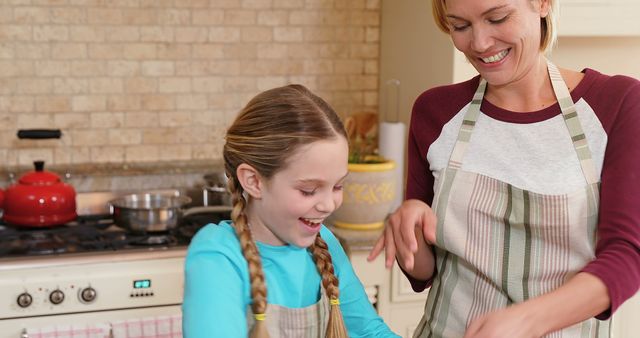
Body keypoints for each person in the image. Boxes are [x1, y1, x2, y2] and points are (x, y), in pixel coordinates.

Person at [368, 0, 640, 337]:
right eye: (460, 26)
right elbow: (424, 274)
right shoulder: (434, 111)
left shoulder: (617, 102)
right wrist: (410, 226)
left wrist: (524, 320)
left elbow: (627, 257)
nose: (480, 44)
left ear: (542, 4)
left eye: (497, 18)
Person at [182, 84, 400, 338]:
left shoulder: (324, 243)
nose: (328, 205)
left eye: (338, 185)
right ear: (253, 181)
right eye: (308, 190)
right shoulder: (219, 255)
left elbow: (368, 331)